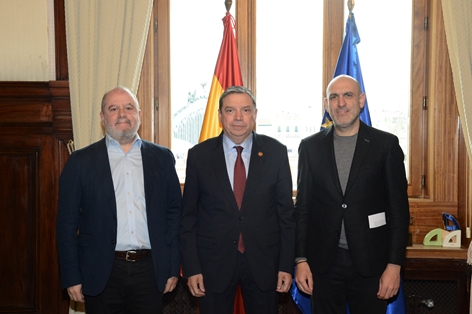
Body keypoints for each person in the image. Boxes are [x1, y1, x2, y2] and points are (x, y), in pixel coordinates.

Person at [56, 86, 182, 313]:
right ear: (103, 118)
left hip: (150, 270)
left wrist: (173, 267)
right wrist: (71, 276)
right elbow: (66, 225)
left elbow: (174, 215)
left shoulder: (162, 158)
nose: (122, 113)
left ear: (139, 115)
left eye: (129, 107)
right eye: (113, 108)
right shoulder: (80, 162)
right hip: (100, 271)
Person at [294, 75, 410, 314]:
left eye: (348, 95)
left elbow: (399, 211)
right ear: (326, 105)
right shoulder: (310, 147)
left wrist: (394, 265)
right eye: (333, 97)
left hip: (372, 264)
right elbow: (303, 207)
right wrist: (301, 260)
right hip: (323, 264)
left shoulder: (385, 145)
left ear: (361, 100)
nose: (341, 103)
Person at [179, 86, 295, 314]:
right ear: (220, 116)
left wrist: (285, 265)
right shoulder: (199, 156)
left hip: (264, 263)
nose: (239, 117)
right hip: (213, 264)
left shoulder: (276, 152)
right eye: (231, 110)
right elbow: (188, 219)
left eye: (245, 110)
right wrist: (191, 268)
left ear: (255, 114)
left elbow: (287, 217)